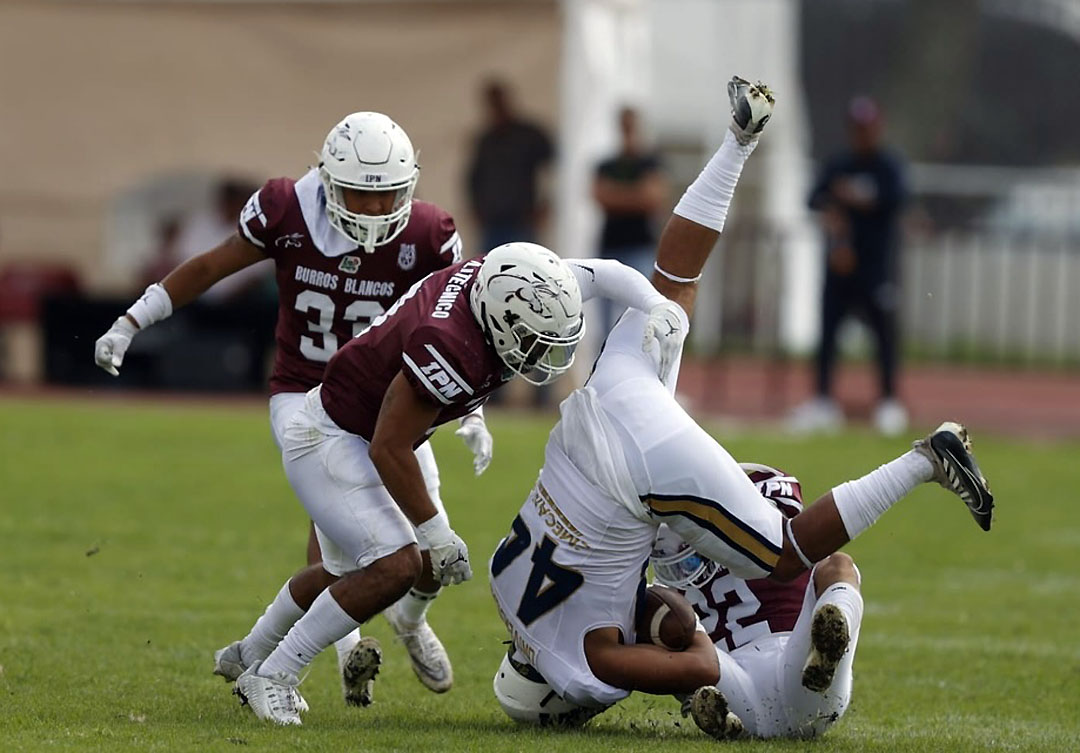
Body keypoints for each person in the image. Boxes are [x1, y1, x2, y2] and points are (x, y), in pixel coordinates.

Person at [488, 78, 994, 741]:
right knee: (675, 280)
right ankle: (740, 138)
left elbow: (691, 652)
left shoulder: (583, 668)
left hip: (639, 471)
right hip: (600, 408)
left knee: (783, 556)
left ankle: (924, 461)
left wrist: (660, 634)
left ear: (558, 701)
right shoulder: (504, 578)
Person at [93, 111, 491, 703]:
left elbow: (458, 324)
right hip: (305, 393)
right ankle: (326, 648)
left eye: (388, 198)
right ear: (329, 180)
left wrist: (473, 412)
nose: (377, 213)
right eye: (362, 195)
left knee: (425, 551)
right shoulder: (286, 210)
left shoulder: (429, 234)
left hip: (391, 398)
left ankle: (408, 623)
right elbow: (211, 265)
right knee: (350, 535)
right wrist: (133, 318)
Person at [212, 231, 687, 725]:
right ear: (500, 322)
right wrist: (435, 533)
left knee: (341, 576)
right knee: (396, 566)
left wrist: (656, 305)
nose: (537, 354)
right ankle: (275, 674)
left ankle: (251, 652)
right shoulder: (447, 341)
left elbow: (608, 271)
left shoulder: (522, 281)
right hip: (332, 438)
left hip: (360, 429)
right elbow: (388, 446)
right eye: (529, 341)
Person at [651, 464, 864, 740]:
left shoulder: (671, 585)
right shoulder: (778, 548)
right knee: (839, 565)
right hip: (808, 685)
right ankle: (834, 630)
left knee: (671, 629)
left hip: (740, 686)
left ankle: (715, 710)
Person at [790, 96, 910, 436]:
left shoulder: (888, 166)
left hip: (876, 268)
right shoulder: (839, 164)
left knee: (884, 336)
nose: (862, 134)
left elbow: (896, 199)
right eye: (857, 128)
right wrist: (832, 209)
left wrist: (853, 198)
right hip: (839, 267)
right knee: (828, 334)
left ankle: (888, 402)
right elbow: (813, 197)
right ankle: (824, 401)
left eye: (868, 127)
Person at [592, 106, 669, 333]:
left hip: (639, 246)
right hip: (611, 246)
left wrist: (616, 196)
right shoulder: (606, 164)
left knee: (641, 315)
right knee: (606, 322)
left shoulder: (650, 162)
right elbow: (599, 196)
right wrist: (635, 195)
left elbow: (653, 199)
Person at [466, 78, 555, 253]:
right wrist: (476, 210)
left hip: (522, 219)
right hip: (492, 223)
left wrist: (546, 203)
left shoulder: (529, 135)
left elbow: (552, 170)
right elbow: (473, 179)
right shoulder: (485, 140)